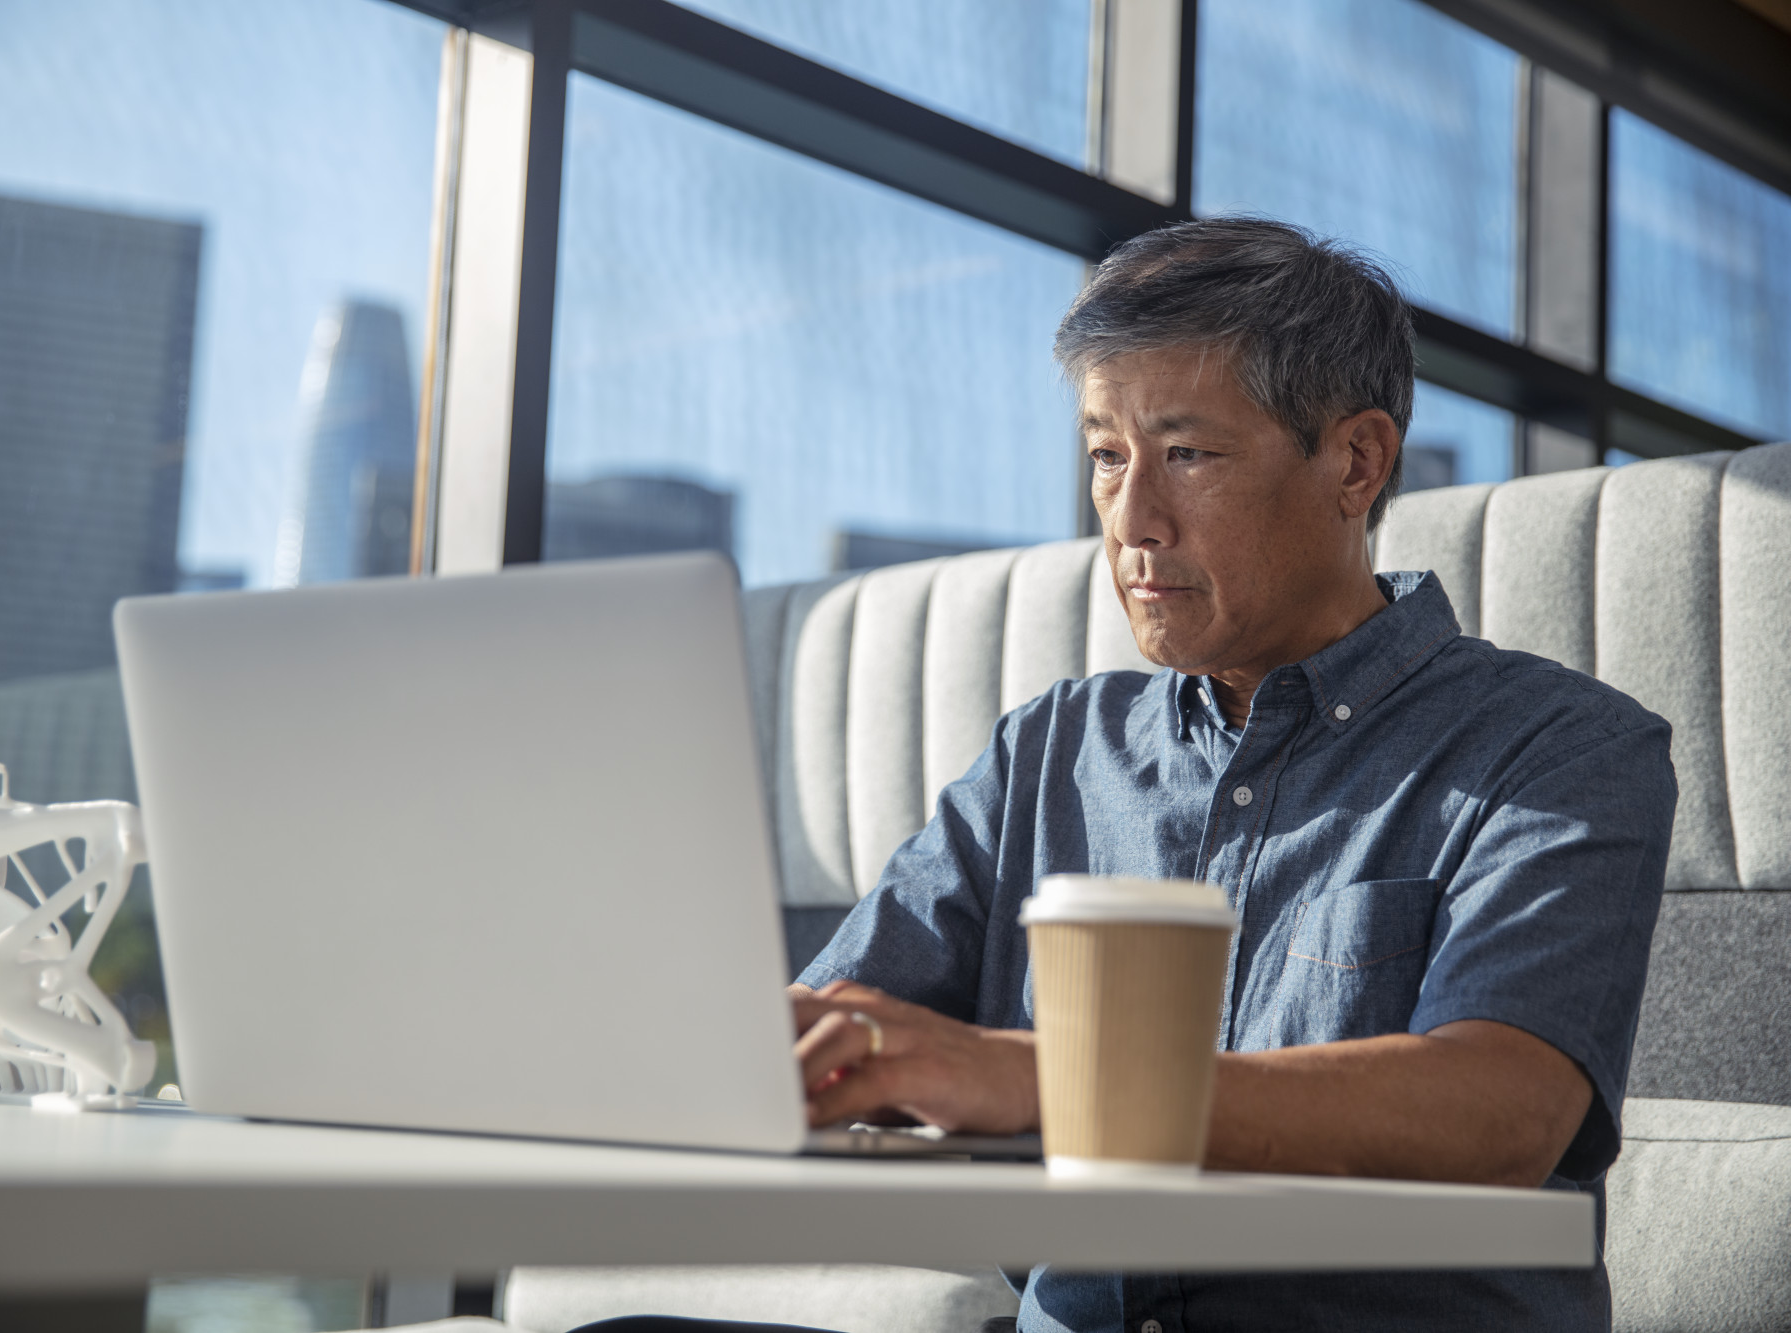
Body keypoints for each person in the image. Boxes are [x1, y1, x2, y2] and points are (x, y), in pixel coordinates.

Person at [583, 217, 1678, 1333]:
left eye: (1186, 455)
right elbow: (838, 1032)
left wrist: (1039, 1078)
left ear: (1355, 463)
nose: (1129, 520)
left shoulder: (1559, 748)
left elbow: (1499, 1111)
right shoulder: (1048, 751)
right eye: (1106, 454)